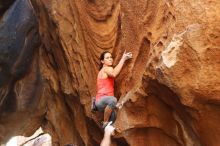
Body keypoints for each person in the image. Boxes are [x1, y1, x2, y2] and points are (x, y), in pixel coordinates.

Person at [95, 50, 132, 128]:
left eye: (111, 57)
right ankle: (105, 122)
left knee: (113, 117)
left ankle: (107, 123)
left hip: (104, 103)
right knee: (113, 100)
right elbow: (114, 74)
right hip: (101, 100)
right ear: (102, 61)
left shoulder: (102, 71)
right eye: (107, 58)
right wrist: (123, 59)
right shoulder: (106, 69)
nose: (110, 59)